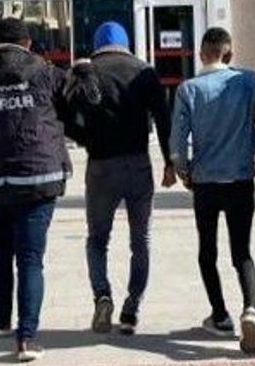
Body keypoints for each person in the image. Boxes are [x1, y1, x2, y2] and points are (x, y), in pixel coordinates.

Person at [0, 17, 74, 362]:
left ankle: (2, 318)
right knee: (30, 260)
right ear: (28, 43)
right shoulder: (46, 71)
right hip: (38, 177)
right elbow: (76, 100)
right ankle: (26, 339)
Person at [65, 21, 175, 336]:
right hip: (138, 164)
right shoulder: (144, 71)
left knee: (97, 239)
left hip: (101, 166)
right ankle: (132, 307)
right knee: (141, 240)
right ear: (126, 44)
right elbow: (163, 119)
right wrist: (170, 162)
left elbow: (69, 119)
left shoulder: (87, 73)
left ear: (97, 45)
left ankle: (102, 296)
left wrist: (86, 139)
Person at [170, 27, 255, 355]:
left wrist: (183, 169)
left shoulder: (189, 89)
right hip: (240, 178)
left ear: (201, 54)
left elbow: (177, 141)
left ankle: (220, 315)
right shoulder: (249, 81)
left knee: (207, 250)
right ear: (230, 54)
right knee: (242, 251)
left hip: (206, 181)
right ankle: (251, 308)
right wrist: (252, 145)